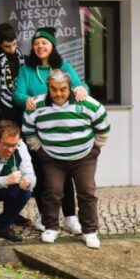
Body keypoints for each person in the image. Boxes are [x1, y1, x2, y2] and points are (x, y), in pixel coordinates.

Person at [22, 69, 110, 249]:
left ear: (70, 88)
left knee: (86, 192)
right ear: (48, 88)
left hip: (84, 157)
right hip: (52, 159)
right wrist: (39, 150)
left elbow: (103, 125)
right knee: (52, 192)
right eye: (54, 89)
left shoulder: (86, 103)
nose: (58, 93)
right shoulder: (37, 105)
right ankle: (51, 227)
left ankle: (90, 231)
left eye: (63, 89)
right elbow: (28, 129)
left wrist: (95, 148)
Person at [14, 29, 89, 235]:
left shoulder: (63, 66)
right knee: (41, 173)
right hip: (37, 130)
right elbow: (18, 93)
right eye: (36, 43)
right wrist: (25, 99)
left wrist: (82, 90)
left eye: (44, 43)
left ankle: (71, 218)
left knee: (65, 173)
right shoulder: (25, 69)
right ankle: (45, 216)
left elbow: (80, 85)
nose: (40, 46)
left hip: (62, 129)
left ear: (52, 46)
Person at [0, 23, 24, 130]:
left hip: (20, 112)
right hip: (0, 116)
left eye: (15, 44)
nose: (12, 49)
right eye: (7, 46)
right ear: (0, 44)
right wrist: (0, 119)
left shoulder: (21, 56)